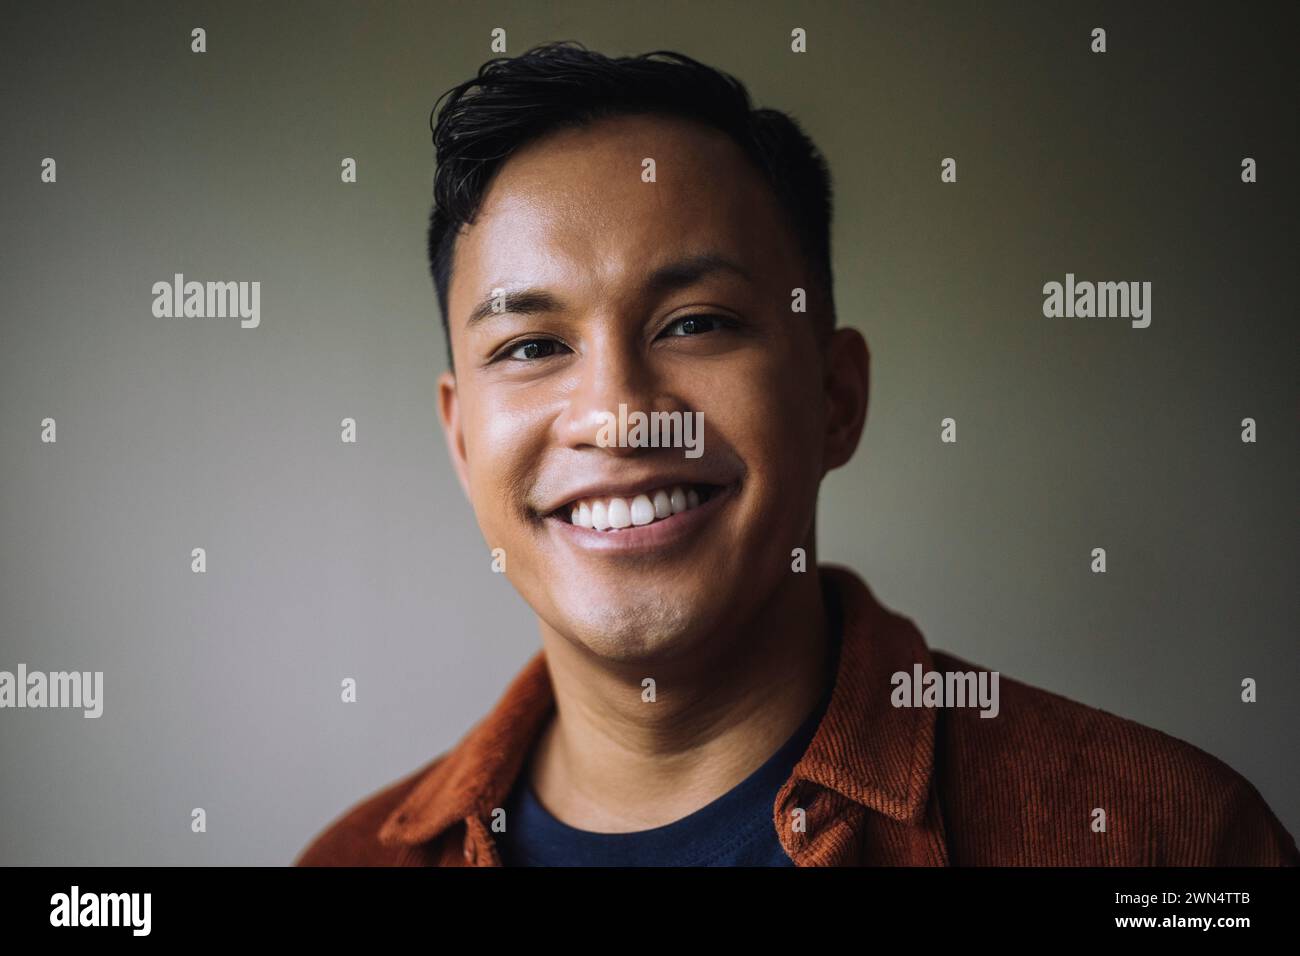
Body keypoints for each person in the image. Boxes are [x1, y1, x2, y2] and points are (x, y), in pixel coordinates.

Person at [295, 42, 1297, 866]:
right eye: (530, 346)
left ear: (834, 397)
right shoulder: (347, 860)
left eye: (694, 323)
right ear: (462, 437)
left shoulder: (1163, 839)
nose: (617, 413)